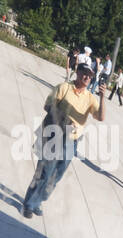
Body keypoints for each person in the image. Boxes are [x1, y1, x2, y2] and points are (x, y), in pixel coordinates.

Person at [22, 59, 105, 217]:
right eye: (85, 74)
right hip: (54, 134)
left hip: (71, 142)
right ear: (78, 72)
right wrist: (66, 120)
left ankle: (39, 200)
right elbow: (47, 106)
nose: (88, 78)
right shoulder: (63, 87)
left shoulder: (90, 98)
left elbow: (100, 117)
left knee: (56, 175)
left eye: (90, 76)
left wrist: (102, 97)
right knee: (45, 171)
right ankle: (29, 203)